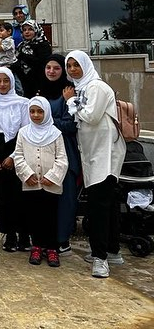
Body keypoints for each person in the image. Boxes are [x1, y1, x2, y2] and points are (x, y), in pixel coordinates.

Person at [64, 50, 126, 278]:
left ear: (86, 65)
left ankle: (101, 259)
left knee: (100, 207)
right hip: (93, 153)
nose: (72, 70)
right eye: (69, 65)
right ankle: (111, 250)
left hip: (105, 153)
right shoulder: (83, 88)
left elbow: (91, 116)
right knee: (105, 204)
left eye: (76, 65)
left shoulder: (96, 87)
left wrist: (70, 101)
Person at [13, 96, 68, 267]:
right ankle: (36, 246)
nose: (36, 115)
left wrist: (52, 177)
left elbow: (62, 159)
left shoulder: (55, 133)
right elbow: (18, 156)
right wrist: (27, 174)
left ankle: (51, 248)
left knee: (50, 216)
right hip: (31, 184)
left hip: (50, 185)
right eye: (32, 111)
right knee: (34, 215)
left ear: (47, 112)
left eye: (40, 111)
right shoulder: (23, 133)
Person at [0, 67, 30, 252]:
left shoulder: (22, 103)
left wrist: (13, 157)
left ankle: (24, 235)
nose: (2, 84)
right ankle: (9, 234)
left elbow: (25, 132)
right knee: (3, 197)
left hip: (17, 149)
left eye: (6, 81)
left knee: (20, 195)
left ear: (11, 82)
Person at [38, 54, 80, 253]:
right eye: (48, 67)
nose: (52, 71)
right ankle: (44, 239)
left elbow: (71, 125)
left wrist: (46, 120)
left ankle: (62, 239)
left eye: (56, 68)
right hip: (42, 152)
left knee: (65, 199)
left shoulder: (69, 93)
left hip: (65, 151)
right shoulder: (39, 91)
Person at [13, 20, 52, 98]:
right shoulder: (21, 45)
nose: (27, 32)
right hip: (23, 83)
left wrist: (22, 56)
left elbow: (42, 63)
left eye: (30, 29)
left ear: (36, 30)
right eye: (24, 30)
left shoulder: (43, 45)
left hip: (39, 83)